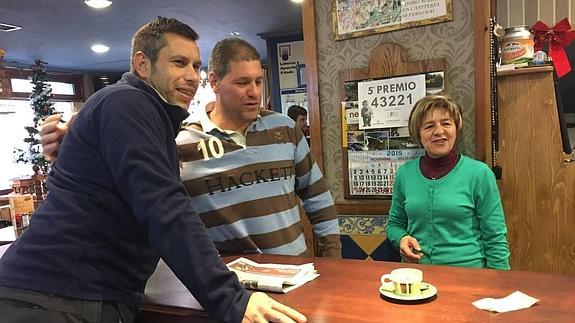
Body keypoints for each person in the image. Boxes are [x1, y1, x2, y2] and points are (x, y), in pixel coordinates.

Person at [0, 17, 306, 323]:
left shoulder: (138, 111)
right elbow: (165, 207)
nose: (191, 76)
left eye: (195, 66)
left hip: (72, 295)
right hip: (57, 297)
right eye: (178, 62)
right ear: (142, 65)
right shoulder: (128, 102)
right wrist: (231, 298)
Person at [40, 38, 341, 258]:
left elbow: (317, 198)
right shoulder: (178, 139)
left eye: (259, 82)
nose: (254, 93)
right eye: (242, 82)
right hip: (228, 287)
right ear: (215, 82)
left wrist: (332, 260)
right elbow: (139, 202)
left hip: (297, 273)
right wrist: (72, 144)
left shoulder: (285, 129)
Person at [386, 95, 510, 270]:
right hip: (415, 277)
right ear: (418, 134)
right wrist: (401, 238)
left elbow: (495, 237)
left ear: (456, 128)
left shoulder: (480, 174)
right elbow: (395, 224)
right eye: (429, 126)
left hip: (468, 277)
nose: (439, 131)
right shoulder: (405, 174)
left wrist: (500, 284)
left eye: (446, 123)